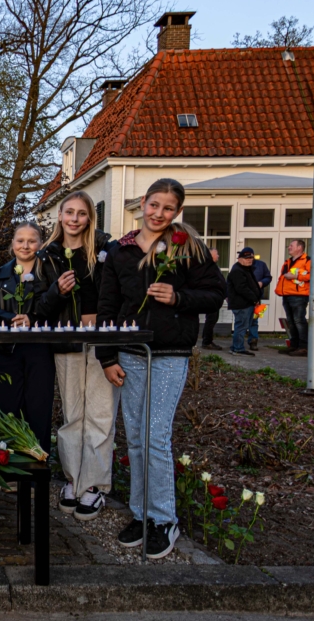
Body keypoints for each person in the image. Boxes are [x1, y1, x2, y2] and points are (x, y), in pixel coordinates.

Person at [97, 178, 226, 559]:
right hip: (130, 353)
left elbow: (217, 294)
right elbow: (107, 306)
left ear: (177, 212)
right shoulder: (120, 251)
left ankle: (164, 518)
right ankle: (140, 513)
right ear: (142, 203)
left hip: (169, 353)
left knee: (155, 435)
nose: (158, 213)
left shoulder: (188, 248)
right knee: (134, 436)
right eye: (154, 205)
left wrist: (179, 297)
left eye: (167, 208)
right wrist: (107, 357)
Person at [35, 191, 115, 521]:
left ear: (89, 218)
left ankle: (94, 485)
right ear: (60, 215)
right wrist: (58, 291)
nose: (74, 219)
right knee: (72, 416)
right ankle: (72, 479)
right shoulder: (47, 255)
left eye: (81, 214)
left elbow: (113, 294)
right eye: (69, 212)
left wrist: (98, 316)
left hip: (98, 343)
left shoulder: (106, 250)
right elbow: (39, 307)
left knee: (99, 413)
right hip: (66, 343)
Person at [0, 221, 57, 455]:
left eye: (31, 240)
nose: (25, 245)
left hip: (40, 350)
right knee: (10, 407)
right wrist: (10, 317)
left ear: (40, 244)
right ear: (12, 244)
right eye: (20, 240)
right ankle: (12, 464)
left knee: (39, 407)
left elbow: (58, 309)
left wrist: (33, 318)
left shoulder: (49, 274)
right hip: (9, 350)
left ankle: (38, 464)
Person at [275, 239, 311, 356]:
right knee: (291, 322)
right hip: (287, 295)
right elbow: (284, 277)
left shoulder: (308, 260)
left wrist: (296, 275)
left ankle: (303, 347)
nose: (288, 247)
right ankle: (294, 345)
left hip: (299, 296)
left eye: (291, 245)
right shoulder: (287, 262)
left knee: (299, 321)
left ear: (299, 248)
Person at [227, 248, 262, 357]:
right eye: (247, 258)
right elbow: (241, 288)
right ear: (240, 259)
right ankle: (238, 348)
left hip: (247, 303)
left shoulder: (246, 269)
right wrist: (254, 298)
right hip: (242, 304)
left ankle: (236, 347)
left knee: (242, 326)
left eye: (251, 258)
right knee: (241, 326)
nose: (249, 260)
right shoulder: (238, 270)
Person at [247, 254, 273, 351]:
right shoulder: (239, 266)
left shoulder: (261, 265)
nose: (249, 259)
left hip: (257, 298)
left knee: (255, 320)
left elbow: (268, 277)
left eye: (250, 257)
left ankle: (253, 341)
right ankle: (238, 343)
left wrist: (262, 282)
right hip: (243, 298)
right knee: (242, 321)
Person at [200, 248, 223, 350]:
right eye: (216, 254)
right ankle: (207, 341)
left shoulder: (213, 267)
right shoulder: (207, 268)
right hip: (210, 297)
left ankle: (208, 340)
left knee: (212, 319)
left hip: (214, 296)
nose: (218, 256)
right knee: (211, 319)